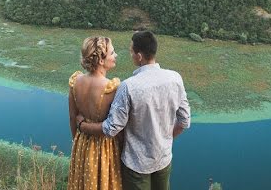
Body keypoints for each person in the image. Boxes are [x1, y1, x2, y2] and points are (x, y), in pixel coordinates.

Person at [77, 31, 190, 190]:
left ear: (139, 56)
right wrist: (164, 139)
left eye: (131, 51)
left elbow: (112, 128)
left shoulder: (128, 86)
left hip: (136, 164)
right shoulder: (175, 78)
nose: (129, 54)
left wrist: (83, 126)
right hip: (164, 158)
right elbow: (184, 121)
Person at [68, 36, 123, 190]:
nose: (115, 55)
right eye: (112, 53)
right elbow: (117, 128)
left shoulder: (75, 81)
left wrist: (77, 142)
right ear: (100, 60)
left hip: (81, 143)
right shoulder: (112, 87)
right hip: (105, 148)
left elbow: (73, 117)